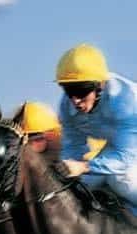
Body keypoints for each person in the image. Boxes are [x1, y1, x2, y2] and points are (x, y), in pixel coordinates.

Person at [54, 43, 137, 215]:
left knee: (122, 180)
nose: (75, 100)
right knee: (82, 185)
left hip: (129, 149)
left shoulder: (126, 100)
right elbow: (73, 150)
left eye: (81, 90)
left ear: (101, 85)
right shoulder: (66, 107)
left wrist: (84, 166)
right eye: (69, 90)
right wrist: (66, 171)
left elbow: (126, 157)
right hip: (119, 147)